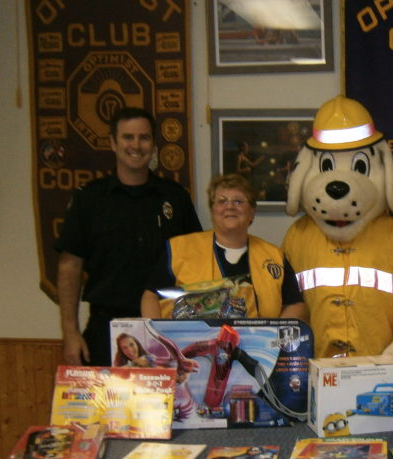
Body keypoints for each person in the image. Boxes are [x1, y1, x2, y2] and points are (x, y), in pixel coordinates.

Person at [55, 107, 201, 367]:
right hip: (105, 328)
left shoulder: (175, 198)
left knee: (164, 408)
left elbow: (197, 265)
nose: (136, 145)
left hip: (165, 328)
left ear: (153, 144)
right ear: (113, 142)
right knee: (107, 408)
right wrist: (70, 333)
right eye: (128, 137)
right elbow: (69, 268)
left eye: (144, 138)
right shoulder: (89, 199)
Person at [141, 173, 305, 321]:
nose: (230, 206)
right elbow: (150, 297)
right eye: (222, 201)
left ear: (252, 212)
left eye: (238, 201)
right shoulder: (179, 249)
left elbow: (296, 304)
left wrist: (275, 334)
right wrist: (158, 336)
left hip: (260, 350)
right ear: (213, 211)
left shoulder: (273, 255)